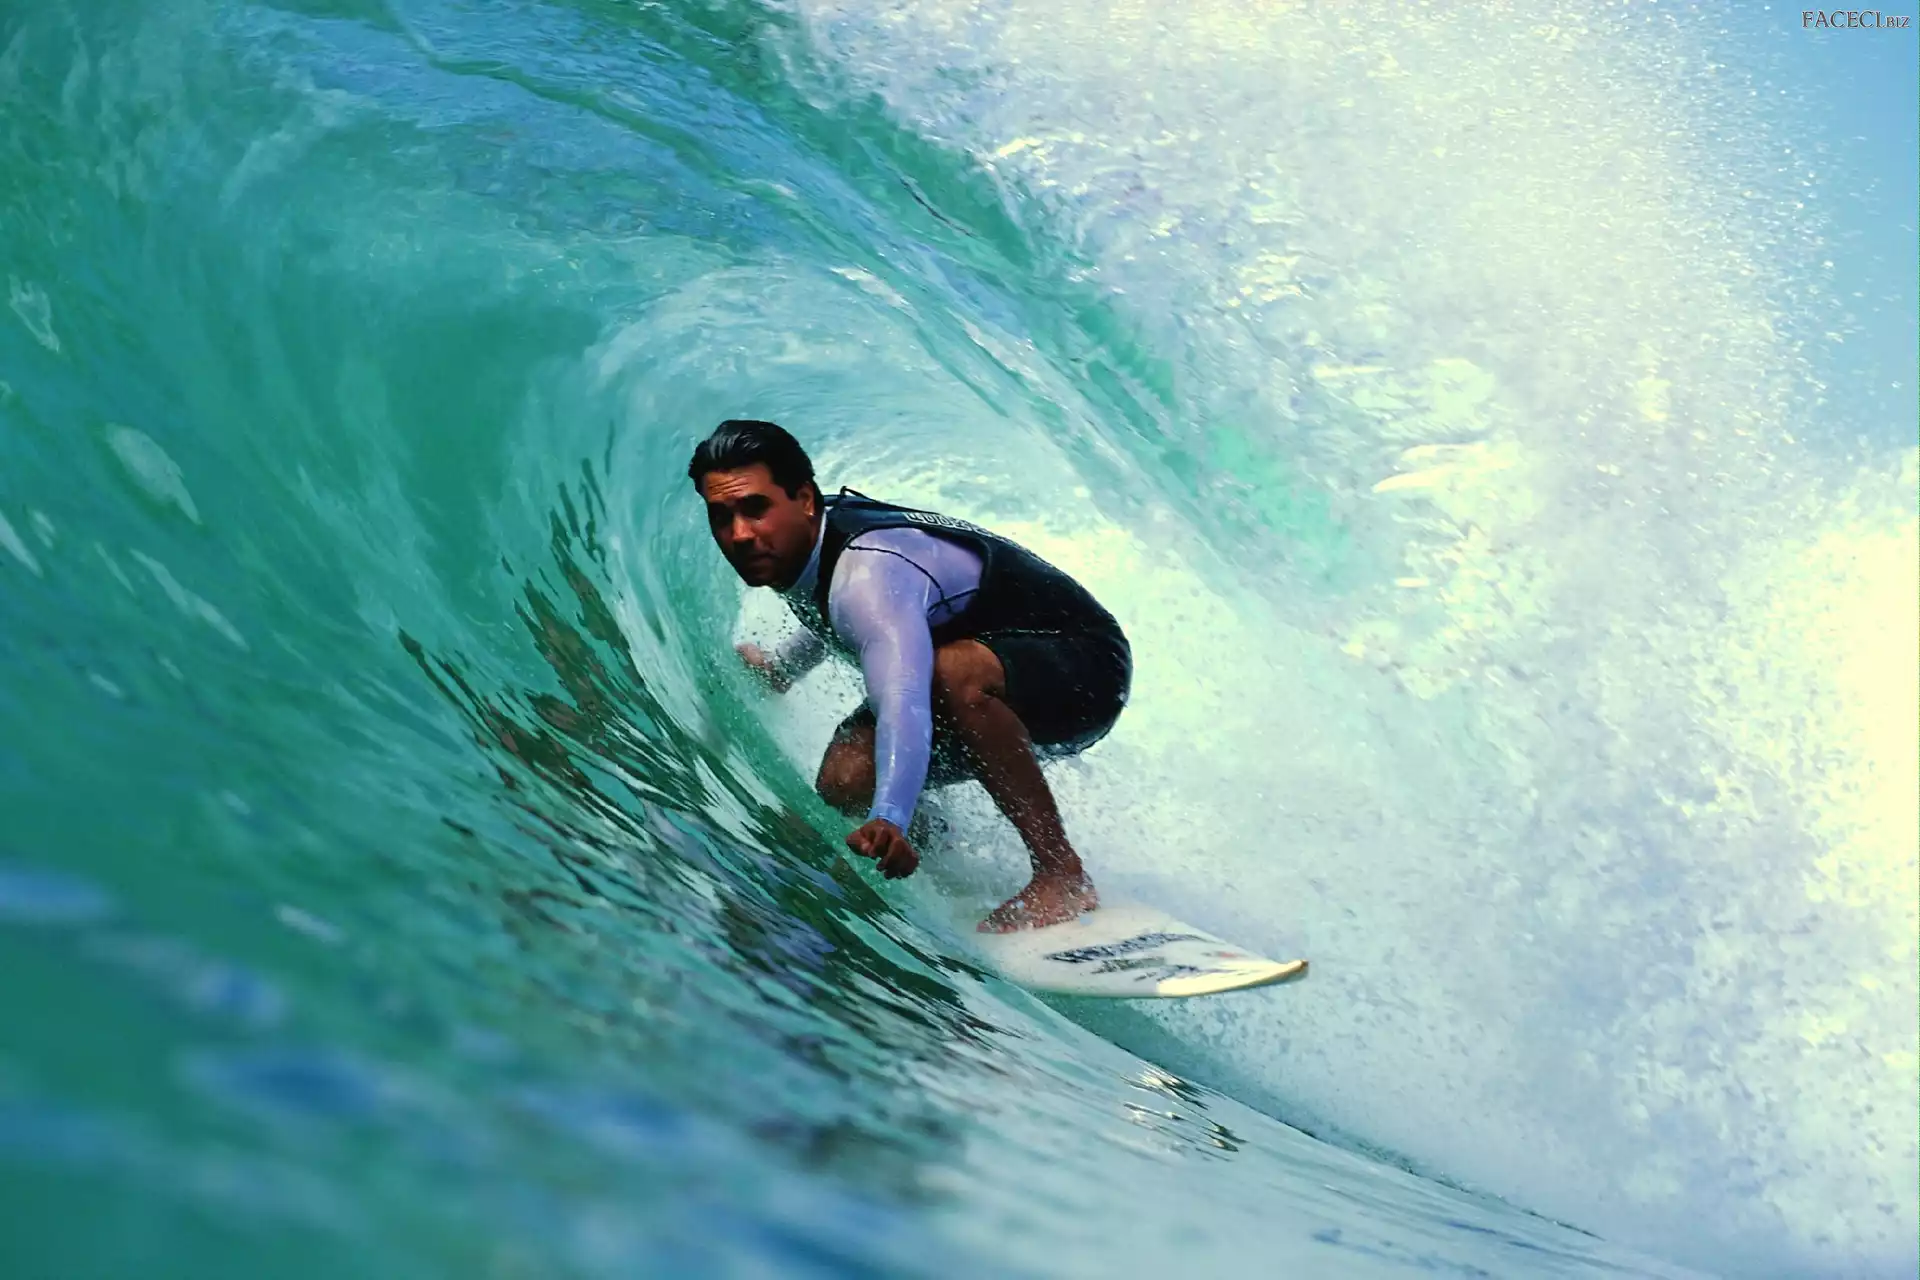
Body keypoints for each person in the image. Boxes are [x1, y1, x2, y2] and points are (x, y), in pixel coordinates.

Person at [688, 419, 1132, 932]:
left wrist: (889, 814)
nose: (740, 534)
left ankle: (1061, 873)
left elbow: (902, 698)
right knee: (845, 779)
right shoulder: (809, 541)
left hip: (1085, 670)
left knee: (952, 674)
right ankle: (934, 843)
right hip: (997, 664)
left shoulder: (868, 575)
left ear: (805, 499)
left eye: (755, 509)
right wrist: (785, 667)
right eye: (721, 516)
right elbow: (842, 612)